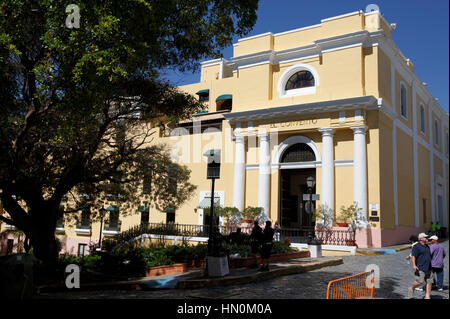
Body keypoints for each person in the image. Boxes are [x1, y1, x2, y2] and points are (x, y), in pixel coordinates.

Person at [408, 233, 433, 299]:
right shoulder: (416, 246)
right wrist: (414, 265)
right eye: (425, 237)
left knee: (429, 282)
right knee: (420, 282)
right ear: (421, 239)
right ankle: (412, 288)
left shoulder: (427, 246)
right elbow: (413, 256)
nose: (427, 238)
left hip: (429, 267)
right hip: (420, 267)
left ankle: (427, 296)